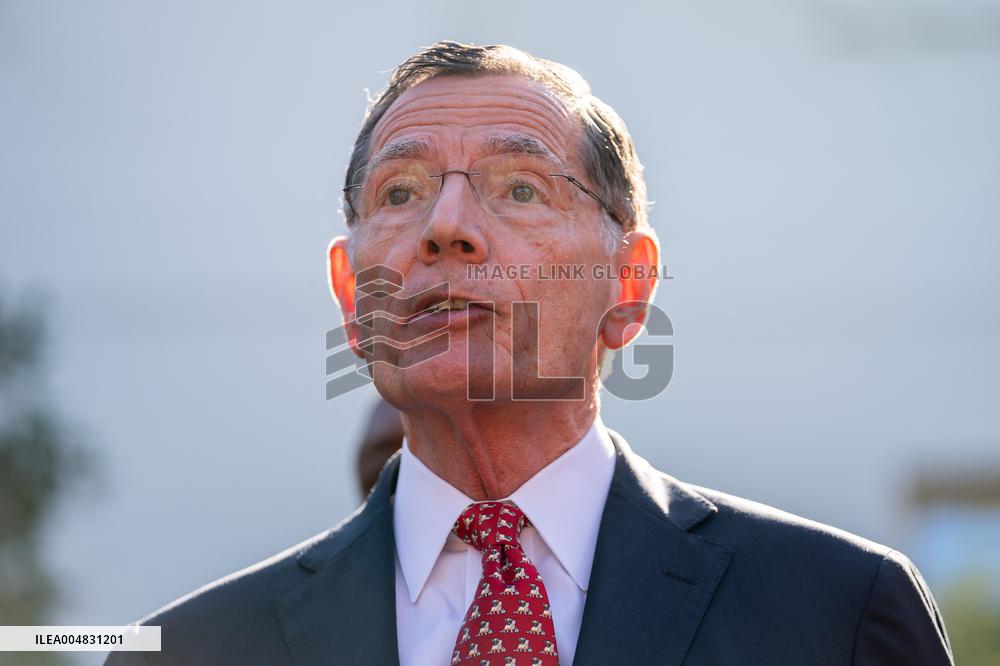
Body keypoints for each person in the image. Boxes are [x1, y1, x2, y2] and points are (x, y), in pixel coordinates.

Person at [106, 41, 953, 665]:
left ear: (628, 283)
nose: (445, 227)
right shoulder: (189, 650)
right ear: (350, 296)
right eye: (400, 193)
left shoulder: (834, 616)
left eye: (519, 187)